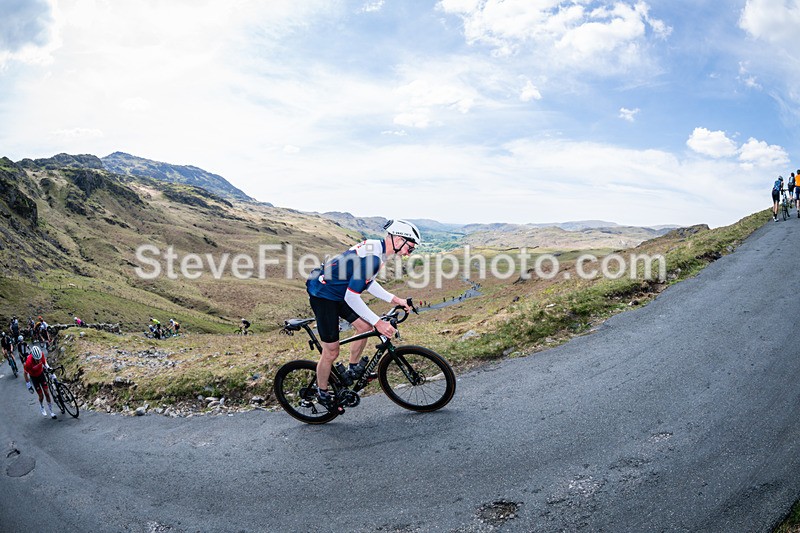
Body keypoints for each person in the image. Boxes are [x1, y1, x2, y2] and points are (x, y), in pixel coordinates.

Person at [306, 219, 419, 412]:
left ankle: (352, 369)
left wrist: (396, 300)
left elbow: (368, 283)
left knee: (364, 327)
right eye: (410, 248)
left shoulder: (378, 250)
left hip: (337, 292)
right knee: (331, 351)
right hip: (323, 295)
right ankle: (321, 392)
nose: (410, 253)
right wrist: (378, 323)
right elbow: (352, 296)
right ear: (399, 239)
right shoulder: (374, 257)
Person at [23, 345, 57, 419]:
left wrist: (51, 372)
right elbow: (25, 374)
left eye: (39, 359)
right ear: (33, 357)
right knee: (41, 396)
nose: (38, 361)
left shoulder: (41, 355)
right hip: (34, 378)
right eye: (36, 360)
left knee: (47, 393)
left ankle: (51, 412)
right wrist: (29, 385)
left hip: (41, 374)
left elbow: (45, 363)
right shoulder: (28, 362)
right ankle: (41, 405)